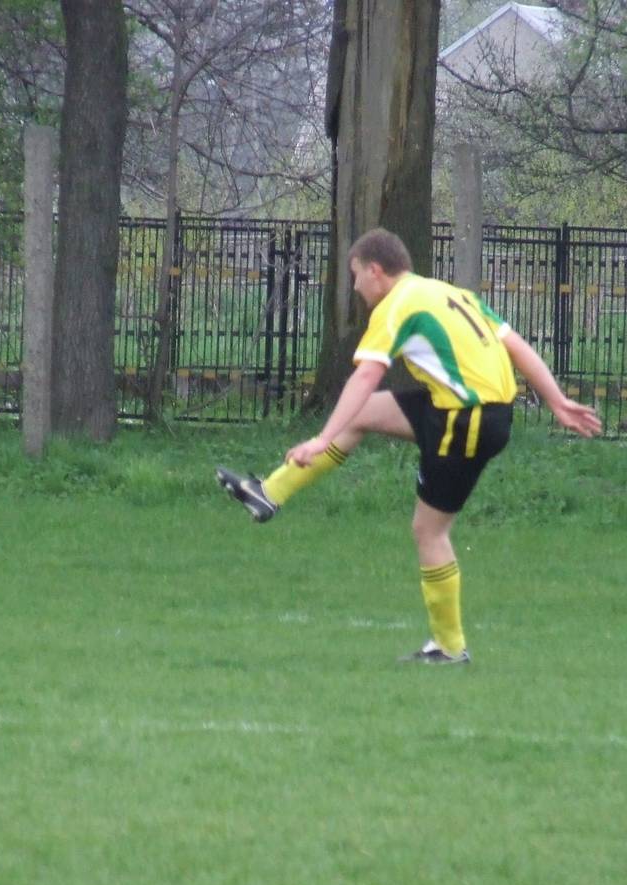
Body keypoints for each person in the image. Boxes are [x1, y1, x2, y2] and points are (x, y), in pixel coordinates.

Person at [216, 226, 601, 664]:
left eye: (356, 275)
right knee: (361, 414)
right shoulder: (446, 293)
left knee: (429, 531)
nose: (355, 286)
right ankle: (269, 494)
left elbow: (366, 375)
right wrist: (556, 401)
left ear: (376, 271)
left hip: (465, 419)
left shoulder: (396, 304)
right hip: (469, 409)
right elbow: (515, 345)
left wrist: (321, 439)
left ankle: (450, 648)